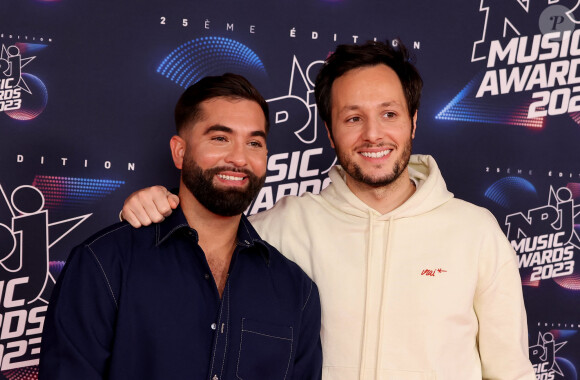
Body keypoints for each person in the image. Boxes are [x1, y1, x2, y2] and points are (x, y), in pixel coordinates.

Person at [121, 42, 536, 379]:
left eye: (388, 114)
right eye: (353, 117)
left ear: (412, 121)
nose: (373, 134)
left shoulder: (476, 232)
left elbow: (510, 373)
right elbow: (200, 237)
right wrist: (153, 206)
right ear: (330, 133)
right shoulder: (281, 227)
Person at [39, 73, 322, 380]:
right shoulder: (105, 264)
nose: (239, 158)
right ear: (180, 151)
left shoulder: (296, 290)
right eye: (220, 138)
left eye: (254, 142)